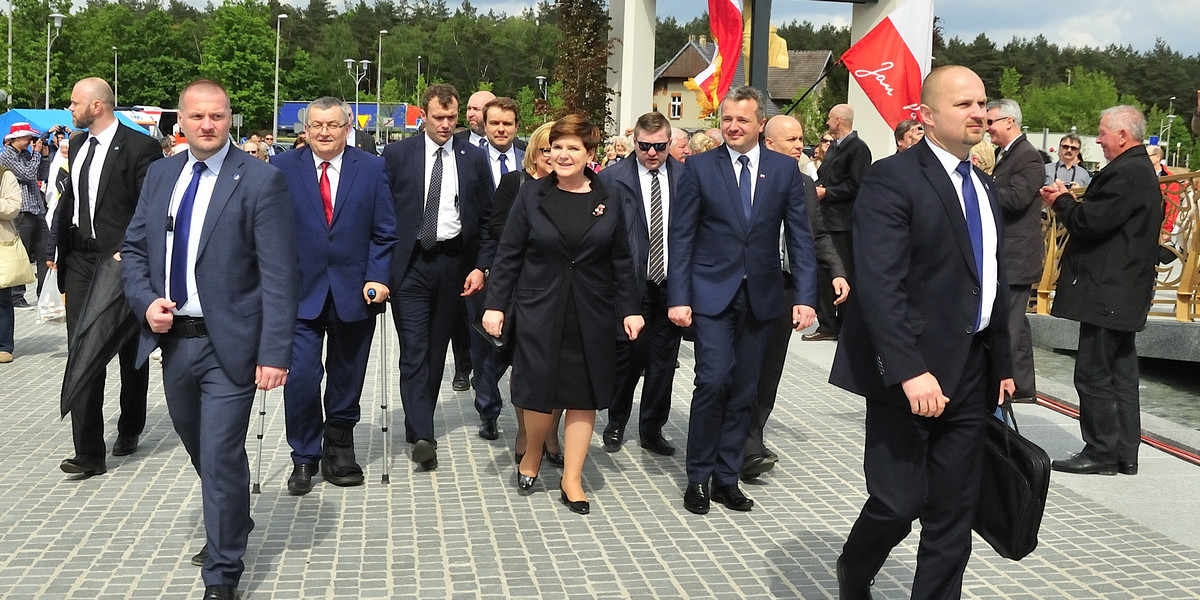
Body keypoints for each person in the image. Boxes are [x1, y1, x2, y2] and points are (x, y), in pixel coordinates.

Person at [829, 65, 1015, 600]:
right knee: (898, 503)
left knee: (954, 514)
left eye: (982, 103)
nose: (979, 113)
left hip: (972, 371)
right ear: (928, 116)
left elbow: (993, 282)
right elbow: (880, 286)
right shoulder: (893, 177)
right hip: (909, 374)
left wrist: (1002, 365)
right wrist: (911, 372)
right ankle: (855, 567)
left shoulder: (982, 183)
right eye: (964, 105)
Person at [121, 78, 298, 600]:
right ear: (180, 122)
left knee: (221, 454)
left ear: (229, 119)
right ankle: (233, 517)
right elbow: (133, 250)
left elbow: (280, 275)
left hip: (232, 346)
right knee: (201, 448)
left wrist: (274, 353)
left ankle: (222, 574)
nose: (206, 125)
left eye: (216, 116)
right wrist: (145, 300)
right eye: (196, 117)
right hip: (175, 341)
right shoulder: (160, 174)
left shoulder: (261, 181)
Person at [668, 86, 818, 515]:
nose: (732, 126)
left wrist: (806, 297)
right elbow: (682, 238)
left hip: (762, 297)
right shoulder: (698, 168)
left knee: (744, 389)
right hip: (711, 295)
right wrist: (678, 297)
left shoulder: (784, 171)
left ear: (759, 125)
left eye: (742, 120)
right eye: (727, 119)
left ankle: (727, 477)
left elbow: (801, 240)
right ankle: (698, 476)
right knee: (713, 379)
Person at [482, 114, 643, 515]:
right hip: (540, 308)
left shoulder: (610, 196)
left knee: (583, 395)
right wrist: (495, 306)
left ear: (590, 155)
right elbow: (509, 255)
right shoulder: (531, 194)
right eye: (558, 147)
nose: (564, 154)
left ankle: (572, 478)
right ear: (547, 151)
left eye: (574, 148)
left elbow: (622, 259)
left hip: (592, 310)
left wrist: (630, 310)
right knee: (539, 388)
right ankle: (532, 453)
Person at [273, 97, 397, 495]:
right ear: (304, 130)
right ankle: (304, 455)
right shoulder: (281, 168)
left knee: (347, 376)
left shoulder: (373, 168)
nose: (324, 132)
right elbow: (268, 231)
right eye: (316, 125)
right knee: (303, 378)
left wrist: (378, 276)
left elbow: (385, 232)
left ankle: (340, 444)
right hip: (300, 293)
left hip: (354, 291)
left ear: (347, 128)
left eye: (333, 124)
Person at [1041, 106, 1161, 477]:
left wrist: (1061, 201)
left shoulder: (1125, 173)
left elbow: (1089, 223)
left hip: (1108, 290)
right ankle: (1124, 452)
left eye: (1103, 132)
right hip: (1124, 289)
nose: (1098, 139)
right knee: (1121, 372)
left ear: (1123, 135)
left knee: (1093, 373)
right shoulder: (1140, 170)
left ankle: (1101, 451)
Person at [50, 78, 161, 476]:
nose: (70, 107)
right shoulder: (77, 145)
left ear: (97, 106)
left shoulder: (139, 147)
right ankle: (89, 453)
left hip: (119, 261)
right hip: (80, 259)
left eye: (74, 101)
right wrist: (54, 248)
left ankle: (130, 425)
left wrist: (130, 250)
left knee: (129, 350)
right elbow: (71, 201)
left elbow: (149, 206)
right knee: (83, 348)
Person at [382, 84, 494, 471]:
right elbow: (382, 214)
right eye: (438, 118)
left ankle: (419, 423)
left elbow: (487, 218)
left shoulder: (473, 158)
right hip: (411, 264)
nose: (446, 125)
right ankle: (423, 433)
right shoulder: (398, 155)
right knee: (414, 348)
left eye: (452, 118)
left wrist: (481, 265)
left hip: (453, 263)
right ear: (423, 118)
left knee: (435, 349)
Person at [748, 114, 849, 479]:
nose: (798, 146)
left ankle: (752, 439)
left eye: (801, 139)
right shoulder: (748, 178)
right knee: (743, 366)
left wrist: (837, 272)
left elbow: (817, 235)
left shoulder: (805, 184)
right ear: (768, 143)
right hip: (746, 286)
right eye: (790, 140)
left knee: (770, 369)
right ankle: (737, 442)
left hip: (785, 287)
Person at [600, 111, 684, 457]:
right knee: (628, 358)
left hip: (672, 285)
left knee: (664, 362)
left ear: (669, 143)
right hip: (631, 283)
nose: (652, 153)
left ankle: (652, 429)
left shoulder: (685, 176)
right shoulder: (611, 178)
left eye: (660, 146)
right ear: (635, 142)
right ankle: (616, 421)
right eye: (645, 146)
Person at [487, 121, 564, 466]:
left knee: (561, 363)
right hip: (524, 289)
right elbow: (498, 230)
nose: (553, 155)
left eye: (559, 148)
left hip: (563, 286)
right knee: (527, 365)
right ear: (534, 152)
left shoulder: (578, 188)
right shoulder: (515, 184)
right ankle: (525, 430)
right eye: (546, 149)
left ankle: (551, 432)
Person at [471, 96, 525, 440]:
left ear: (516, 126)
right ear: (484, 125)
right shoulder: (468, 159)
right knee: (485, 344)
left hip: (524, 268)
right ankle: (488, 410)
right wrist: (479, 266)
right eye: (495, 123)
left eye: (507, 123)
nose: (501, 129)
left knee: (515, 341)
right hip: (478, 265)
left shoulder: (533, 157)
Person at [986, 99, 1045, 402]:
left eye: (991, 122)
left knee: (1008, 325)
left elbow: (1016, 199)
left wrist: (982, 184)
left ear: (1009, 121)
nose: (987, 129)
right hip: (1008, 255)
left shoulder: (1029, 157)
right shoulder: (1005, 154)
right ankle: (1022, 386)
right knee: (1017, 325)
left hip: (1017, 257)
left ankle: (1001, 388)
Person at [809, 105, 870, 343]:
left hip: (843, 221)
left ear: (838, 120)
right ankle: (827, 324)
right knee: (824, 273)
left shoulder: (858, 149)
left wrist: (828, 192)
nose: (827, 123)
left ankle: (845, 325)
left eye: (829, 119)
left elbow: (858, 185)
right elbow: (824, 174)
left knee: (843, 273)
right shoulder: (834, 147)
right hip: (826, 218)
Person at [1, 122, 50, 309]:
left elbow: (41, 174)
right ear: (17, 138)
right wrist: (37, 153)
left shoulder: (27, 154)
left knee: (45, 252)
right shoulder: (7, 156)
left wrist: (44, 157)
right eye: (28, 138)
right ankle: (16, 296)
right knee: (21, 253)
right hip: (22, 210)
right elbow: (28, 174)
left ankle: (44, 293)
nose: (31, 141)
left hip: (37, 208)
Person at [0, 165, 21, 363]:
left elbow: (14, 206)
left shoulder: (4, 174)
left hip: (1, 245)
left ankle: (4, 345)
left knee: (1, 297)